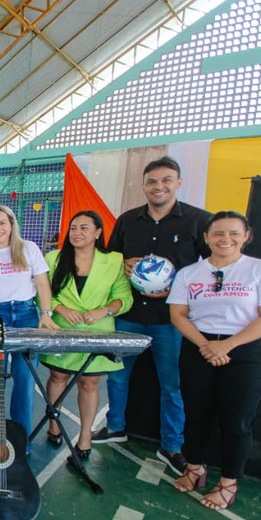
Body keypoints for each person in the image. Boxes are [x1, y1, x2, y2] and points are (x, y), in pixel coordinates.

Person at [97, 156, 211, 475]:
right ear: (143, 185)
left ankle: (171, 445)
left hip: (172, 319)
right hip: (130, 314)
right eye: (152, 181)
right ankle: (115, 427)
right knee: (117, 376)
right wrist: (123, 264)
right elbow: (110, 259)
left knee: (171, 384)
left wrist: (177, 287)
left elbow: (211, 267)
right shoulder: (127, 220)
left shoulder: (198, 221)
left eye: (166, 180)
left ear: (178, 183)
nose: (158, 186)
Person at [169, 211, 261, 510]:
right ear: (206, 237)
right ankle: (194, 468)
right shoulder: (189, 274)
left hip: (247, 352)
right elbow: (178, 315)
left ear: (246, 236)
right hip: (199, 348)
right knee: (196, 415)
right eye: (218, 233)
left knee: (236, 421)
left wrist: (228, 345)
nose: (226, 239)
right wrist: (207, 346)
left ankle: (228, 482)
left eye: (234, 233)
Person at [40, 211, 133, 459]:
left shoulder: (114, 260)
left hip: (98, 331)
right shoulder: (54, 258)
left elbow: (124, 297)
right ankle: (54, 424)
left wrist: (105, 310)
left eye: (84, 228)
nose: (77, 233)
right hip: (61, 328)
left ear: (98, 232)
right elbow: (42, 292)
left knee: (89, 383)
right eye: (73, 228)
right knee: (58, 376)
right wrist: (61, 309)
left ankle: (85, 436)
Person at [0, 204, 59, 442]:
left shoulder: (28, 248)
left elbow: (42, 283)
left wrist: (45, 313)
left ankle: (21, 440)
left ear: (11, 224)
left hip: (25, 313)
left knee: (24, 379)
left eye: (2, 223)